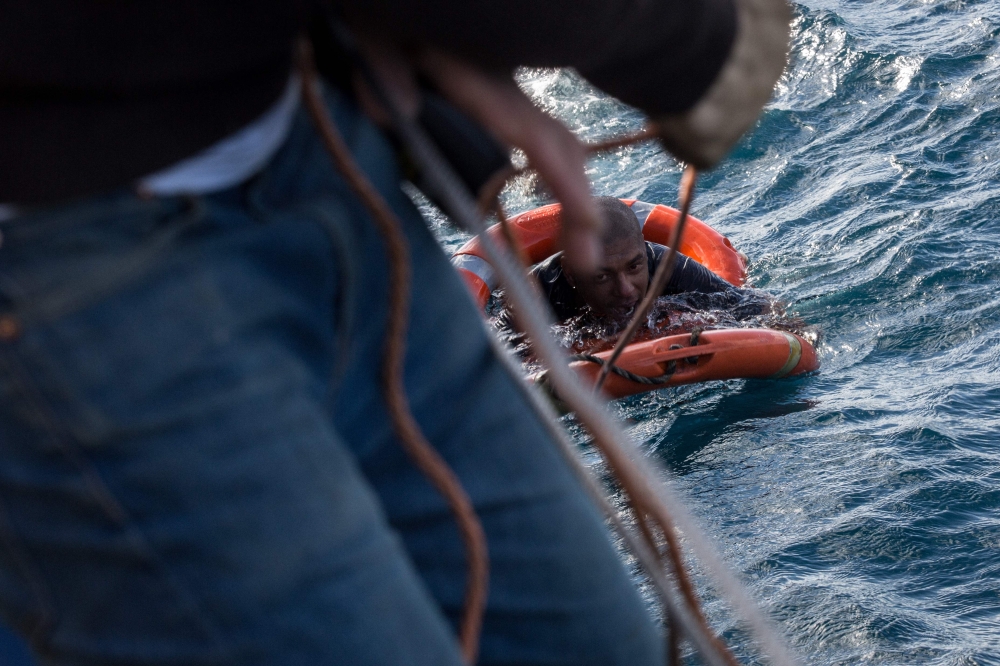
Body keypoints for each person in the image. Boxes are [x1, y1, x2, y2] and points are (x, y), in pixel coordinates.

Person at [0, 1, 790, 664]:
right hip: (61, 272)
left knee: (603, 640)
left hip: (323, 161)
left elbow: (768, 321)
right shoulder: (539, 296)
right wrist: (693, 47)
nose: (623, 286)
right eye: (604, 277)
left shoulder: (672, 273)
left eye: (630, 275)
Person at [532, 197, 742, 322]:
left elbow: (751, 307)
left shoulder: (666, 267)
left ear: (644, 246)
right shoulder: (536, 293)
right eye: (602, 276)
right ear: (570, 273)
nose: (626, 290)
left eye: (633, 267)